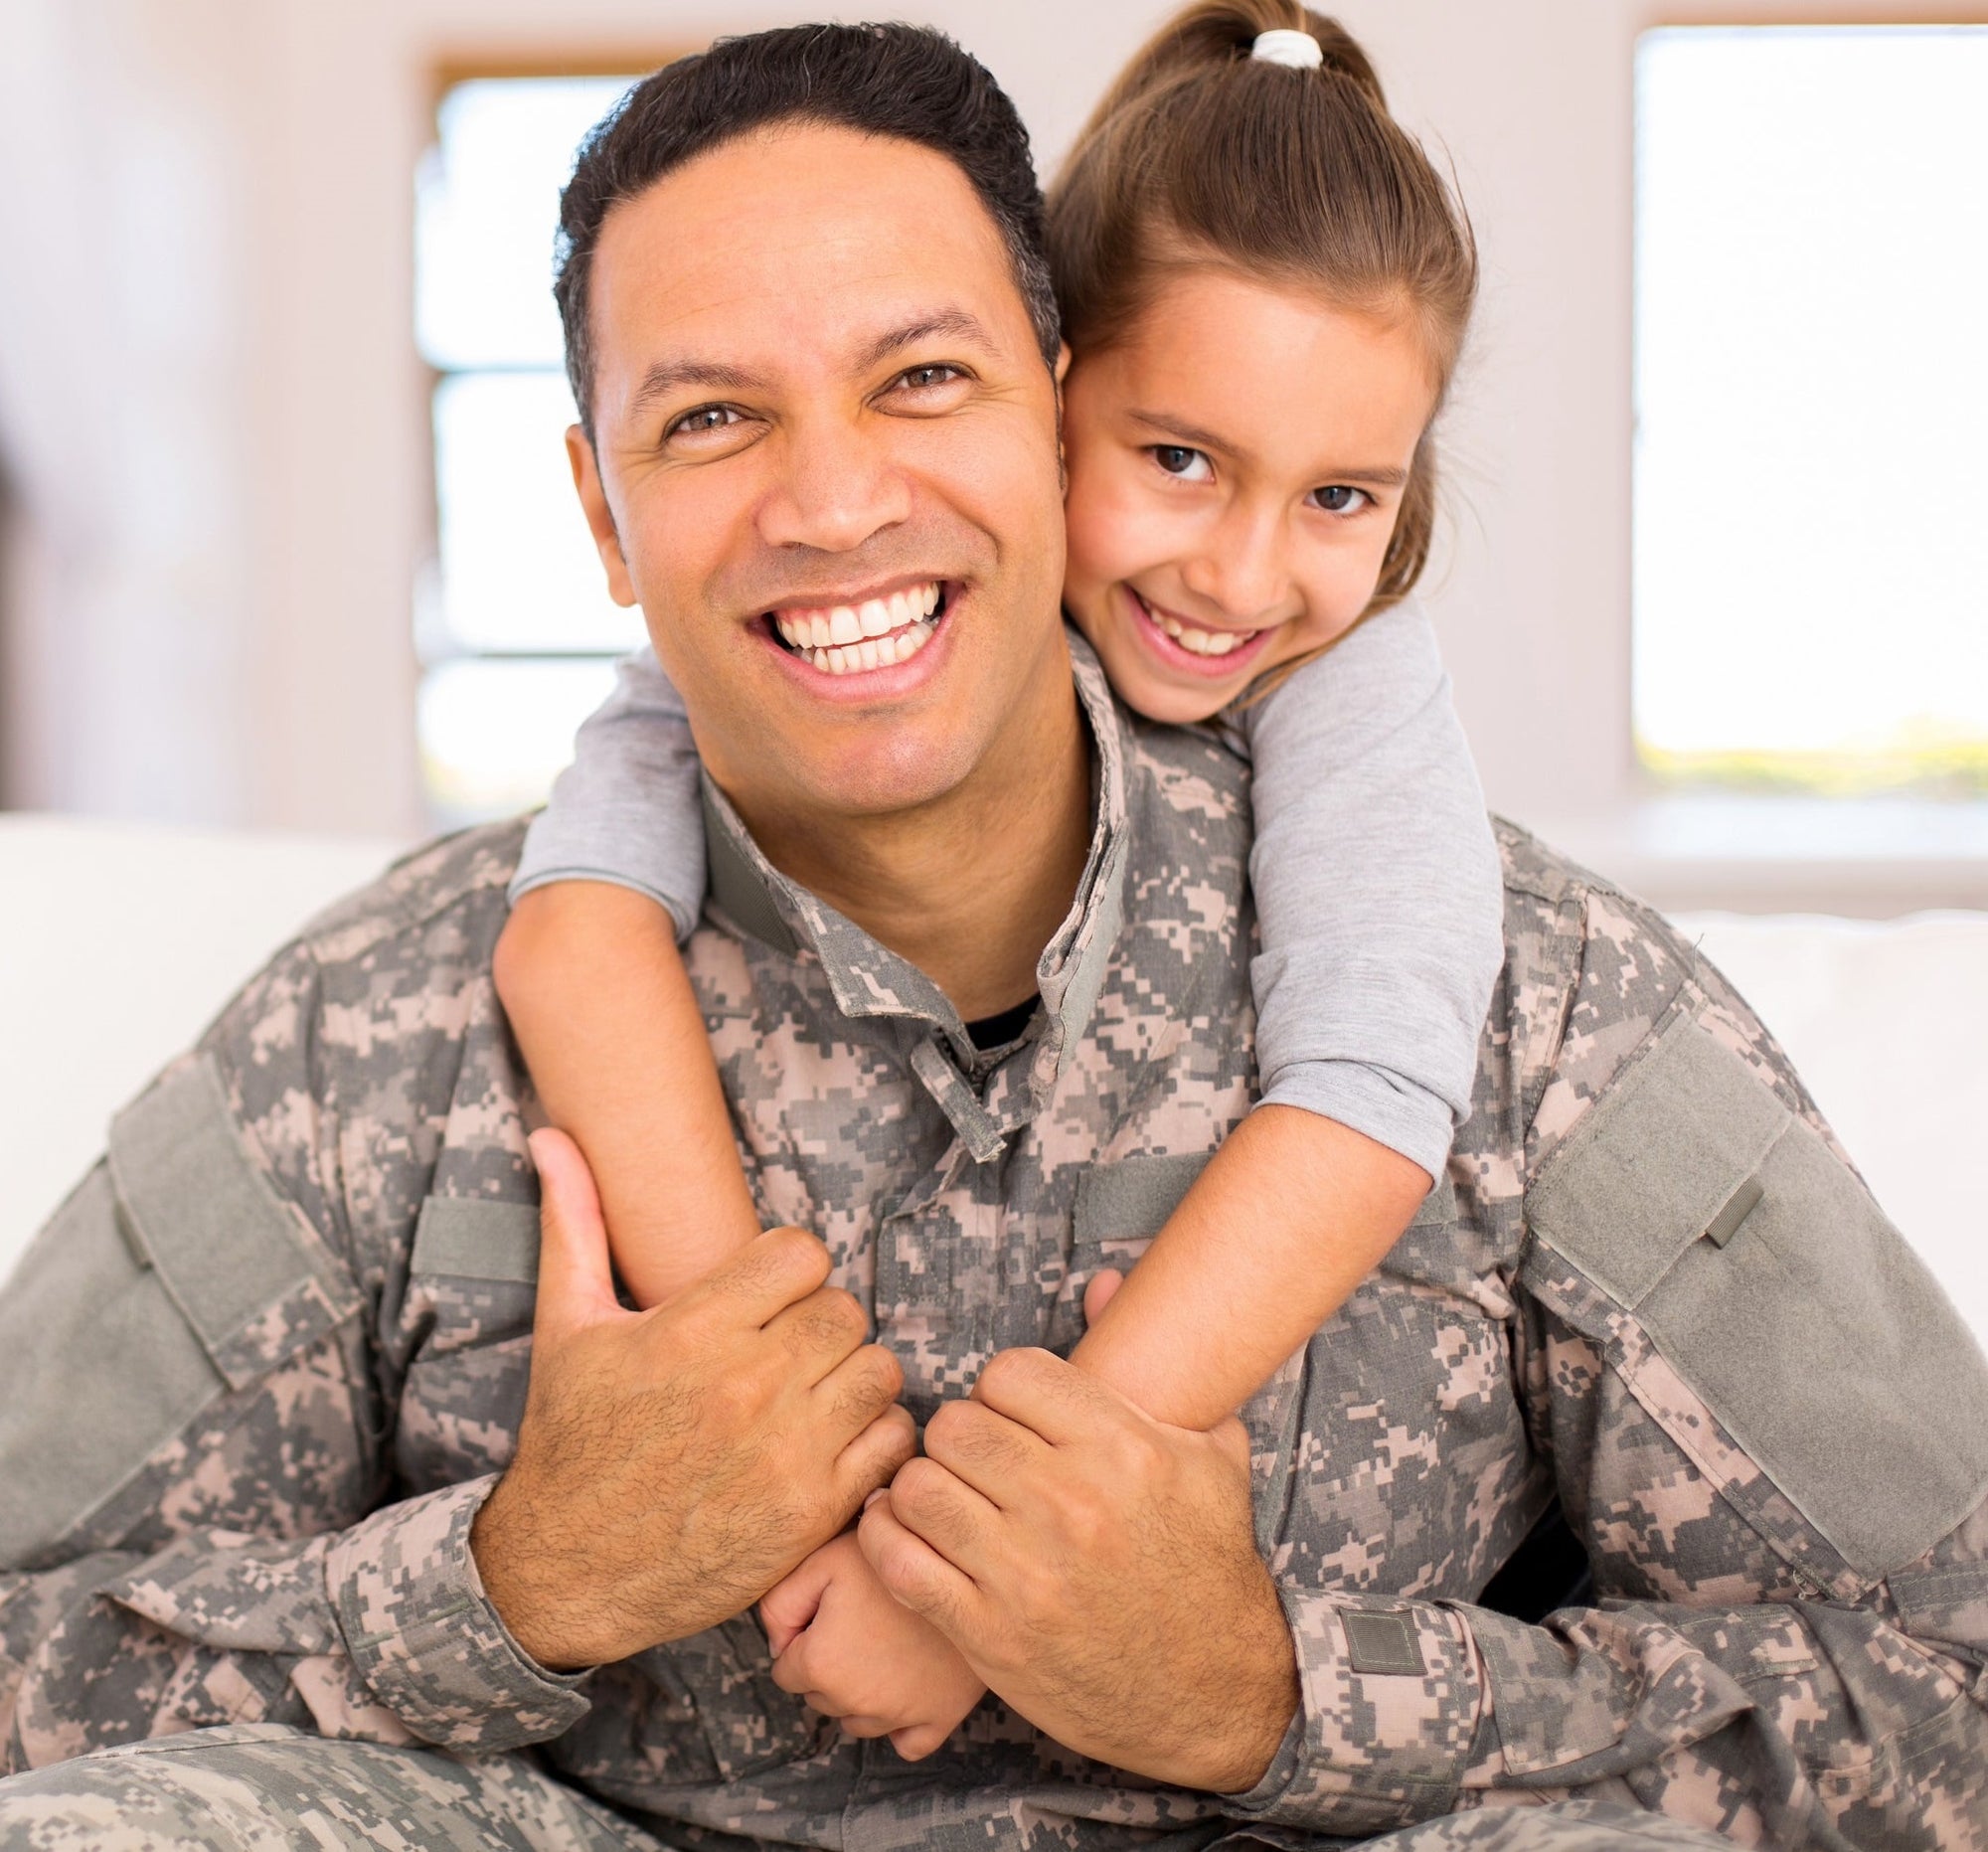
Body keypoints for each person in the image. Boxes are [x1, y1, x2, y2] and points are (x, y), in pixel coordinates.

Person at [1, 17, 1984, 1852]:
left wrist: (1275, 1694)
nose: (836, 494)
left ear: (1055, 413)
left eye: (918, 376)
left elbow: (1952, 1684)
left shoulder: (1517, 998)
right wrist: (515, 1578)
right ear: (600, 512)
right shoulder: (380, 1022)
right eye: (709, 419)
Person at [493, 0, 1502, 1759]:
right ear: (1067, 410)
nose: (1242, 572)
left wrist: (970, 1576)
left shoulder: (1355, 684)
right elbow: (571, 940)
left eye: (1345, 498)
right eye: (1176, 459)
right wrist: (781, 1473)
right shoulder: (764, 651)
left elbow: (1373, 1082)